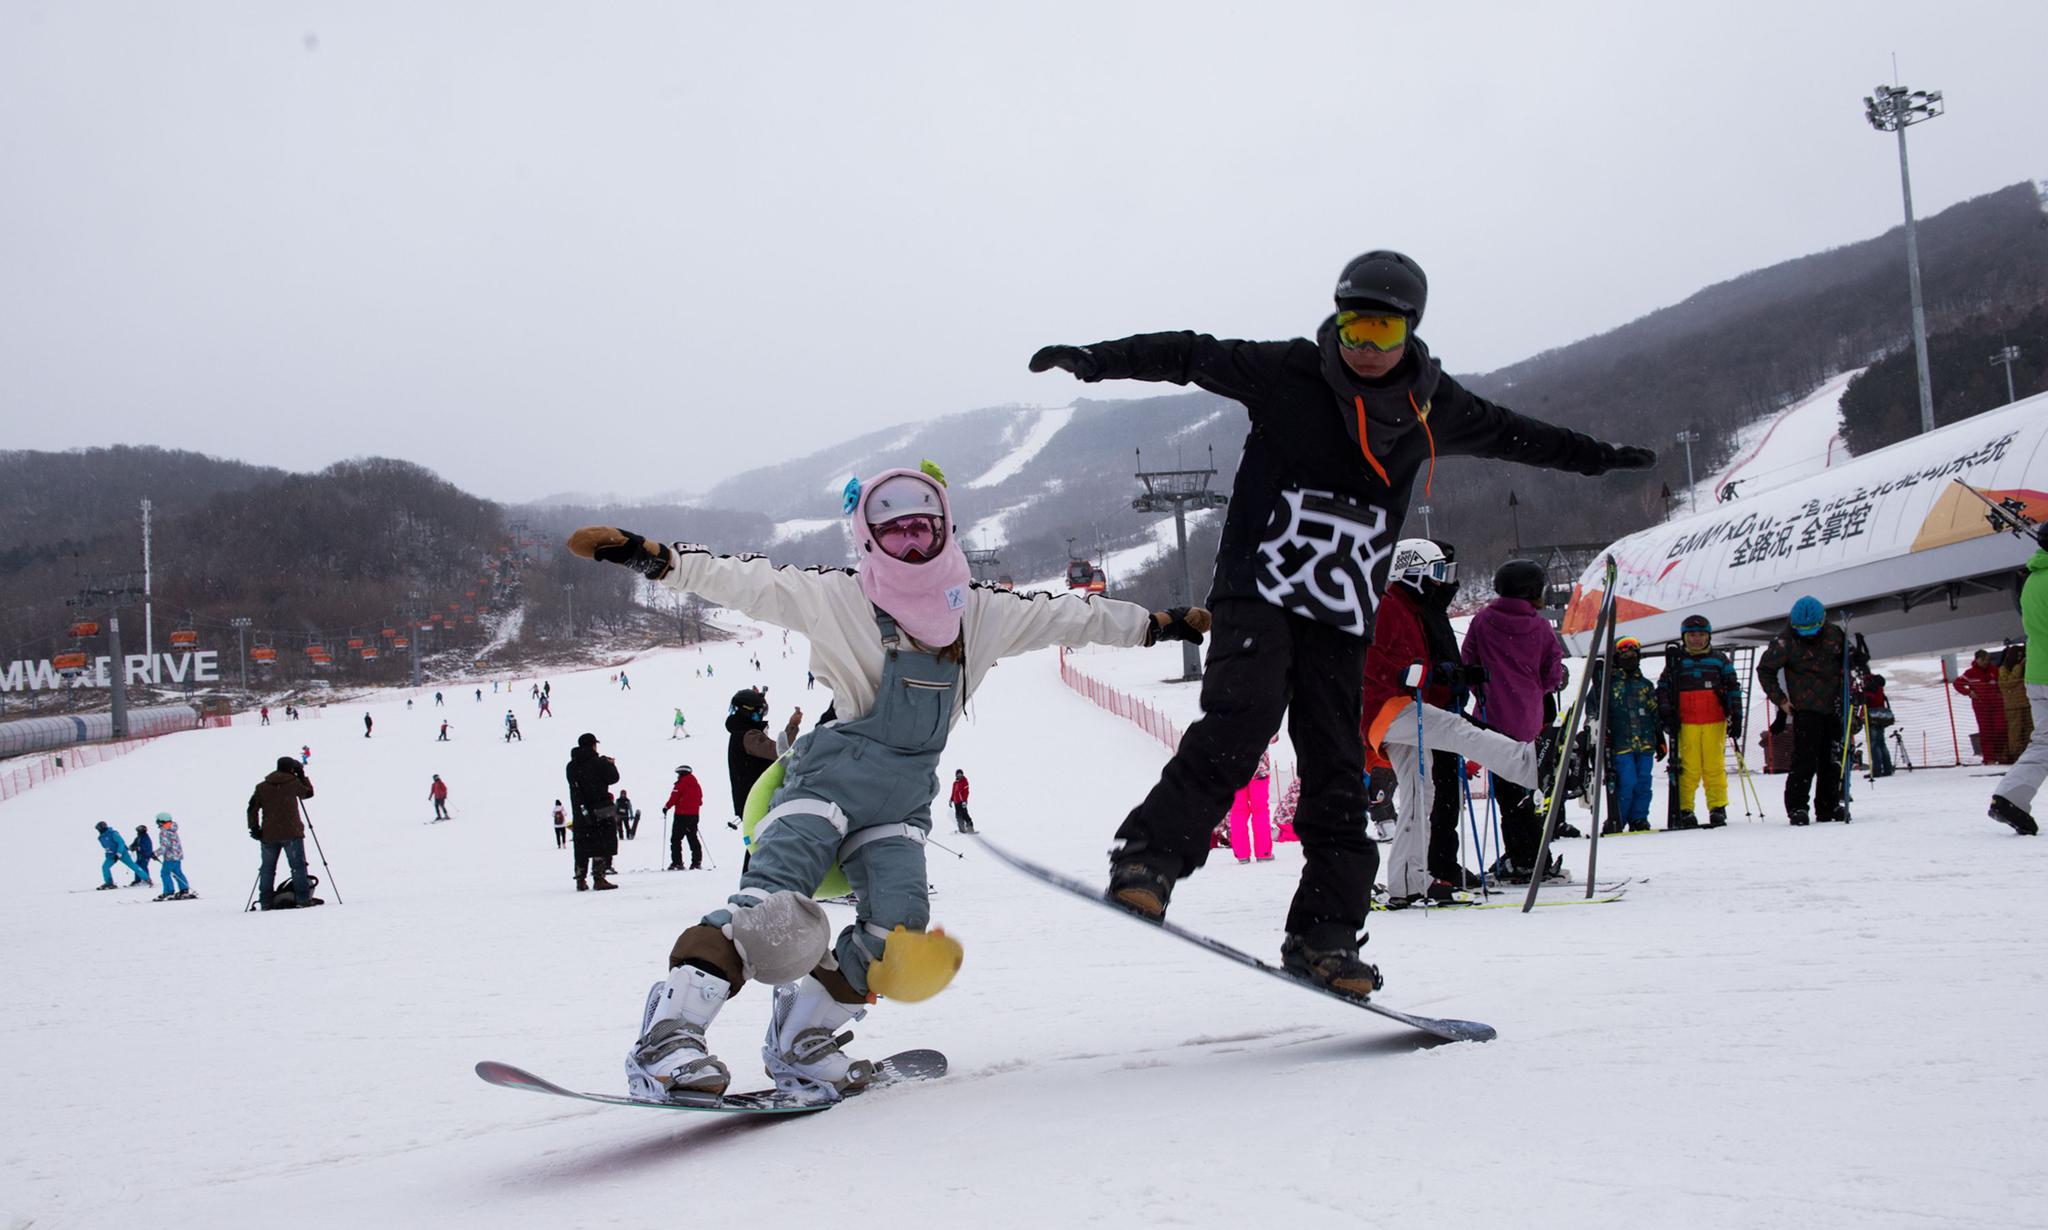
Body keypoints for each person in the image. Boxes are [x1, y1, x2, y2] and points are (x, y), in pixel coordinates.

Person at [1030, 250, 1651, 986]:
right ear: (1337, 319)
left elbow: (1523, 436)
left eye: (1383, 332)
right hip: (1259, 586)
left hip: (1341, 609)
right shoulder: (1289, 371)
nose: (1365, 347)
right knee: (1243, 718)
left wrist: (1601, 458)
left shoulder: (1434, 407)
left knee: (1336, 763)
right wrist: (1098, 361)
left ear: (1408, 333)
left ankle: (1326, 935)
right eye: (1354, 326)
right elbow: (1190, 354)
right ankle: (1149, 859)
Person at [569, 459, 1203, 1102]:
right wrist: (655, 559)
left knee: (895, 936)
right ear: (868, 538)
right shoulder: (842, 597)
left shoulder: (978, 613)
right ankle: (668, 1038)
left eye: (924, 528)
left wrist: (1156, 626)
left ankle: (802, 1039)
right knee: (772, 915)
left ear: (946, 529)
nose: (912, 542)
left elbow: (1071, 618)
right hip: (827, 781)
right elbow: (747, 582)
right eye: (894, 531)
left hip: (902, 799)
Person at [1364, 540, 1541, 906]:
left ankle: (1408, 881)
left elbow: (1415, 664)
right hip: (1385, 707)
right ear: (1411, 573)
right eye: (1436, 573)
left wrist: (1448, 675)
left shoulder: (1410, 608)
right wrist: (1417, 674)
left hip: (1400, 705)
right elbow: (1375, 658)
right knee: (1457, 731)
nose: (1442, 582)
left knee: (1419, 793)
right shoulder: (1388, 606)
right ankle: (1528, 764)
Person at [1460, 558, 1569, 878]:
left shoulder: (1482, 621)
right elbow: (1552, 675)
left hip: (1492, 720)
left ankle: (1524, 855)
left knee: (1507, 795)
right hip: (1529, 721)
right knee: (1527, 791)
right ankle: (1531, 856)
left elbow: (1469, 662)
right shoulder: (1538, 627)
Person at [1757, 596, 1849, 825]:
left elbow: (1848, 661)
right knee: (1804, 760)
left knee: (1832, 759)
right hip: (1804, 709)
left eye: (1813, 629)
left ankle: (1829, 805)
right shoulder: (1784, 642)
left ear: (1823, 621)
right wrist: (1780, 700)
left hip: (1834, 706)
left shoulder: (1835, 635)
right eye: (1802, 629)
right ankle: (1797, 807)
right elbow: (1765, 670)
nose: (1808, 634)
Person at [1657, 614, 1743, 828]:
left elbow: (1733, 688)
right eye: (1692, 635)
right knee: (1688, 768)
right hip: (1686, 723)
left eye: (1702, 635)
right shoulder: (1676, 662)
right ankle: (1685, 808)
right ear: (1684, 637)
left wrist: (1736, 714)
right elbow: (1663, 689)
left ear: (1709, 636)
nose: (1697, 639)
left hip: (1714, 721)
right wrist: (1667, 713)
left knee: (1714, 766)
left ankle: (1717, 807)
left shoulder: (1719, 660)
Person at [1990, 524, 2048, 834]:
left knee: (2045, 741)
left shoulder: (2032, 581)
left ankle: (2011, 796)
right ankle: (2009, 796)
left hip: (2038, 672)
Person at [1602, 638, 1664, 834]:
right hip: (1621, 743)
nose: (1629, 658)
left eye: (1633, 655)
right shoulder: (1607, 685)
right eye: (1624, 655)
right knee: (1627, 782)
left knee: (1644, 782)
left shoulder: (1645, 685)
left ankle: (1639, 818)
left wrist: (1660, 738)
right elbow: (1594, 710)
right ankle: (1618, 818)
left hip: (1645, 742)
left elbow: (1655, 713)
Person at [248, 756, 315, 908]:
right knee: (298, 867)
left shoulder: (262, 786)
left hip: (269, 834)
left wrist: (254, 828)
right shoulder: (293, 783)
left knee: (267, 869)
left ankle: (265, 901)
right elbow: (308, 793)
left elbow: (252, 809)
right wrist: (302, 775)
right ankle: (303, 900)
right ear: (292, 768)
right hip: (292, 832)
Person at [725, 688, 798, 830]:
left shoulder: (742, 733)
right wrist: (793, 727)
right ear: (747, 713)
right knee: (763, 846)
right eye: (758, 715)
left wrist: (793, 725)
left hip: (755, 801)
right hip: (758, 803)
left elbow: (779, 750)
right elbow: (779, 752)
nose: (760, 718)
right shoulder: (747, 736)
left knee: (761, 845)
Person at [565, 733, 620, 891]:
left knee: (582, 843)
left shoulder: (571, 765)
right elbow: (614, 779)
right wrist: (610, 764)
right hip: (602, 806)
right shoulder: (599, 762)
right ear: (593, 745)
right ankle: (599, 877)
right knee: (603, 841)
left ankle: (580, 879)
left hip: (580, 809)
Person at [1954, 649, 2009, 765]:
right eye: (1982, 659)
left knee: (2001, 729)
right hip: (1981, 707)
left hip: (1997, 705)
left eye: (1987, 659)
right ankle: (1989, 758)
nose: (1985, 662)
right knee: (1986, 731)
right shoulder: (1970, 673)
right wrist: (1968, 692)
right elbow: (1957, 683)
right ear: (1977, 659)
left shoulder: (1995, 670)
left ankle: (2001, 754)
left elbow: (2003, 683)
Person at [1225, 750, 1272, 864]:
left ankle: (1242, 854)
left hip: (1234, 771)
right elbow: (1274, 738)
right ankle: (1263, 853)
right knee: (1260, 810)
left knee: (1238, 811)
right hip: (1259, 770)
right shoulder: (1261, 730)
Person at [664, 766, 704, 870]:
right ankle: (696, 862)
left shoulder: (680, 784)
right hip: (694, 815)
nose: (678, 776)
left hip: (681, 815)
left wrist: (666, 807)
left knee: (676, 839)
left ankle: (677, 862)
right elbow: (700, 801)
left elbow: (674, 798)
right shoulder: (697, 785)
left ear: (682, 774)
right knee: (693, 838)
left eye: (679, 774)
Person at [2000, 644, 2033, 762]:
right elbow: (2008, 682)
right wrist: (2019, 667)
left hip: (2027, 703)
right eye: (2017, 656)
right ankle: (2015, 753)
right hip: (2013, 706)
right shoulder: (2004, 669)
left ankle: (2028, 751)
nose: (2019, 658)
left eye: (2021, 656)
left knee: (2030, 730)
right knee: (2015, 730)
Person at [95, 820, 149, 889]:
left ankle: (147, 879)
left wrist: (119, 853)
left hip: (122, 853)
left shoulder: (113, 833)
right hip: (111, 855)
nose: (98, 831)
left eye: (99, 829)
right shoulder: (101, 837)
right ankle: (109, 883)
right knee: (105, 867)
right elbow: (107, 847)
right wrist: (109, 854)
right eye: (98, 829)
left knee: (133, 866)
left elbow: (121, 843)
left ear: (103, 828)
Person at [1862, 673, 1896, 778]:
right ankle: (1887, 768)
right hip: (1881, 717)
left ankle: (1876, 770)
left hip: (1872, 717)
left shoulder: (1870, 683)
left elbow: (1867, 698)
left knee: (1873, 744)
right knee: (1881, 743)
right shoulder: (1878, 684)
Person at [153, 813, 192, 900]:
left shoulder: (164, 832)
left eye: (158, 822)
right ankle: (184, 890)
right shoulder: (172, 830)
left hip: (170, 857)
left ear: (161, 822)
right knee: (177, 873)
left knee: (164, 873)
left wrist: (155, 854)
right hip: (177, 856)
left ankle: (169, 892)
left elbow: (165, 846)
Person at [949, 769, 976, 835]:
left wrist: (964, 801)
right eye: (958, 774)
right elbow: (953, 792)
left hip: (962, 801)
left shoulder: (964, 781)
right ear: (956, 775)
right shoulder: (955, 783)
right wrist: (951, 800)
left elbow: (966, 792)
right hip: (956, 802)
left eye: (960, 774)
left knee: (964, 814)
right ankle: (961, 829)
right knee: (958, 815)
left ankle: (970, 827)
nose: (959, 775)